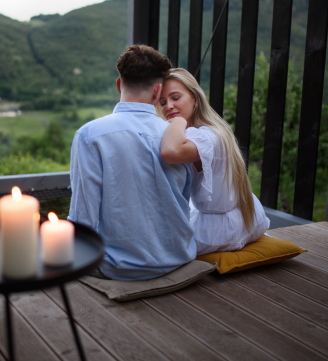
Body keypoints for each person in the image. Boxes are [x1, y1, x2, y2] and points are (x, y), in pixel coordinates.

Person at [68, 45, 196, 281]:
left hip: (120, 269)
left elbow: (82, 219)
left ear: (119, 84)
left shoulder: (90, 136)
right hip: (180, 258)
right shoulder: (179, 138)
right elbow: (184, 201)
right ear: (158, 92)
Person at [158, 68, 269, 255]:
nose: (168, 106)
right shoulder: (214, 129)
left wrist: (177, 122)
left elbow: (170, 152)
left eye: (175, 98)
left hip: (219, 231)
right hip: (247, 217)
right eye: (162, 102)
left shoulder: (205, 136)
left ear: (195, 98)